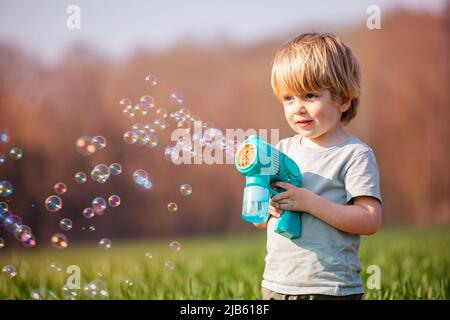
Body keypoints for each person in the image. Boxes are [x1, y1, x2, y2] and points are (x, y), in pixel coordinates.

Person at [255, 33, 382, 300]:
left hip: (330, 287)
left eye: (310, 96)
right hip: (278, 284)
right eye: (289, 98)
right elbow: (261, 220)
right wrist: (267, 208)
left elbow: (370, 219)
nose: (297, 108)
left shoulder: (354, 154)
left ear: (343, 99)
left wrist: (311, 203)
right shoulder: (283, 151)